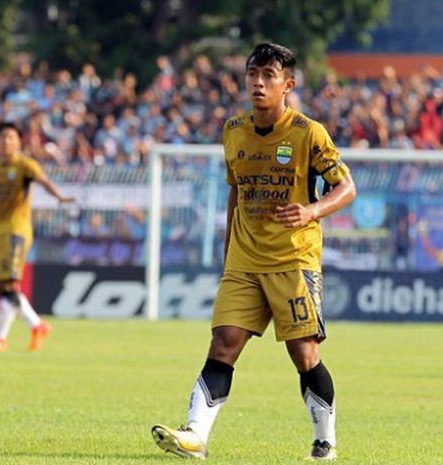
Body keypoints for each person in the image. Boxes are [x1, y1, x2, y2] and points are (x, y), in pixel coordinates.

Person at [151, 43, 357, 461]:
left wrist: (312, 210)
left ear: (288, 85)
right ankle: (195, 436)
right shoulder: (233, 129)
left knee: (304, 354)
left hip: (292, 260)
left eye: (268, 75)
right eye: (253, 74)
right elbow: (236, 193)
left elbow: (347, 188)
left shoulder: (308, 132)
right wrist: (229, 251)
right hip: (244, 260)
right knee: (224, 343)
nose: (258, 83)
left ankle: (324, 441)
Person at [0, 121, 75, 352]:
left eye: (11, 137)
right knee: (2, 287)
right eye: (2, 138)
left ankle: (1, 338)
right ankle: (36, 326)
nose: (6, 142)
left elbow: (44, 182)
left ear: (19, 141)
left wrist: (60, 197)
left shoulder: (25, 165)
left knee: (11, 284)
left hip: (16, 230)